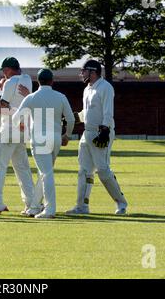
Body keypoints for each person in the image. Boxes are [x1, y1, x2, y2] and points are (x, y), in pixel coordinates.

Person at [65, 60, 128, 216]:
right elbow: (87, 112)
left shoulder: (105, 87)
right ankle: (81, 206)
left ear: (93, 71)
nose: (82, 74)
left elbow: (108, 111)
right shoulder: (87, 89)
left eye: (84, 71)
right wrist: (71, 118)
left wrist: (105, 129)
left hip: (101, 132)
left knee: (103, 170)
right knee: (84, 171)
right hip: (87, 133)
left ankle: (121, 203)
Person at [12, 69, 75, 218]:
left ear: (38, 81)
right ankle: (34, 207)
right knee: (44, 172)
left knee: (46, 173)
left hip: (40, 138)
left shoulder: (31, 97)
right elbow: (71, 119)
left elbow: (15, 118)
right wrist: (67, 135)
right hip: (56, 138)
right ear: (52, 81)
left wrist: (21, 125)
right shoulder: (60, 96)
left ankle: (50, 209)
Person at [0, 57, 40, 216]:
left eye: (4, 70)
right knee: (22, 168)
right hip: (23, 131)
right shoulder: (27, 79)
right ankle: (32, 204)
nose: (3, 74)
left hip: (8, 130)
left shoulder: (8, 83)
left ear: (9, 69)